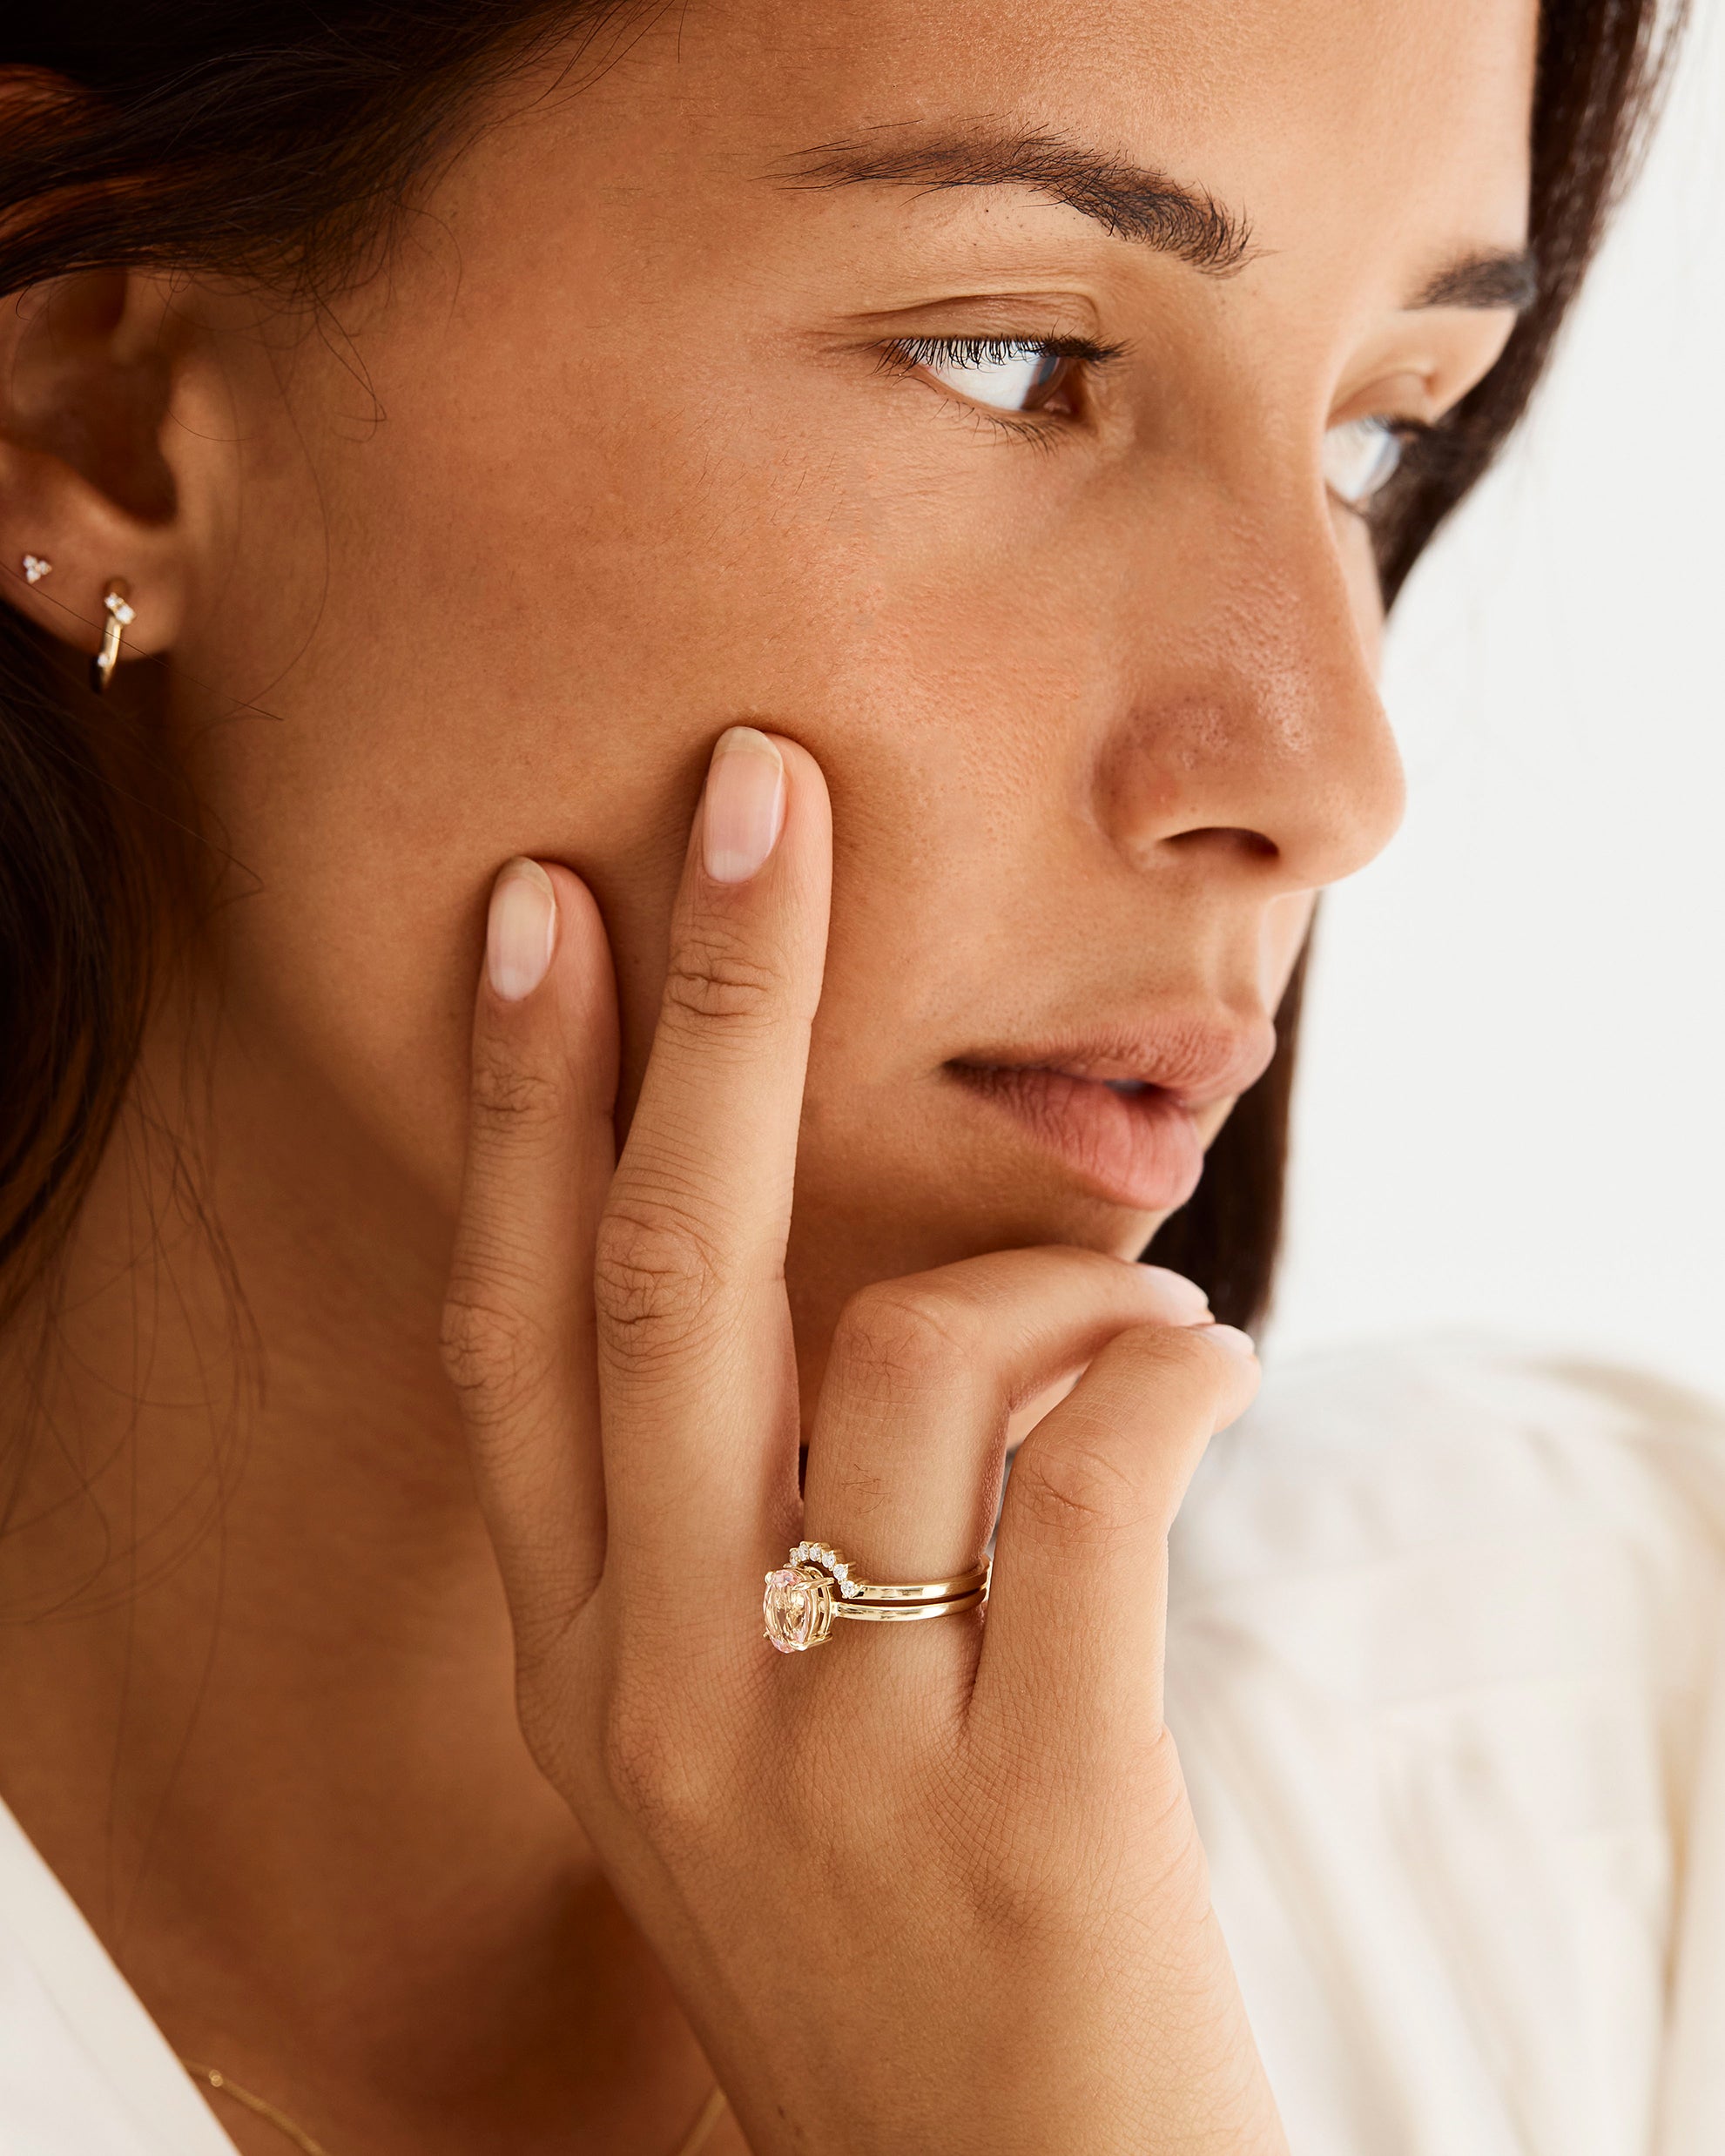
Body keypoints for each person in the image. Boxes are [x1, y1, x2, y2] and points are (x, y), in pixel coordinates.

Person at [0, 2, 1717, 2150]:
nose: (1325, 769)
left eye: (1382, 430)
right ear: (100, 399)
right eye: (1011, 359)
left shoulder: (1634, 1759)